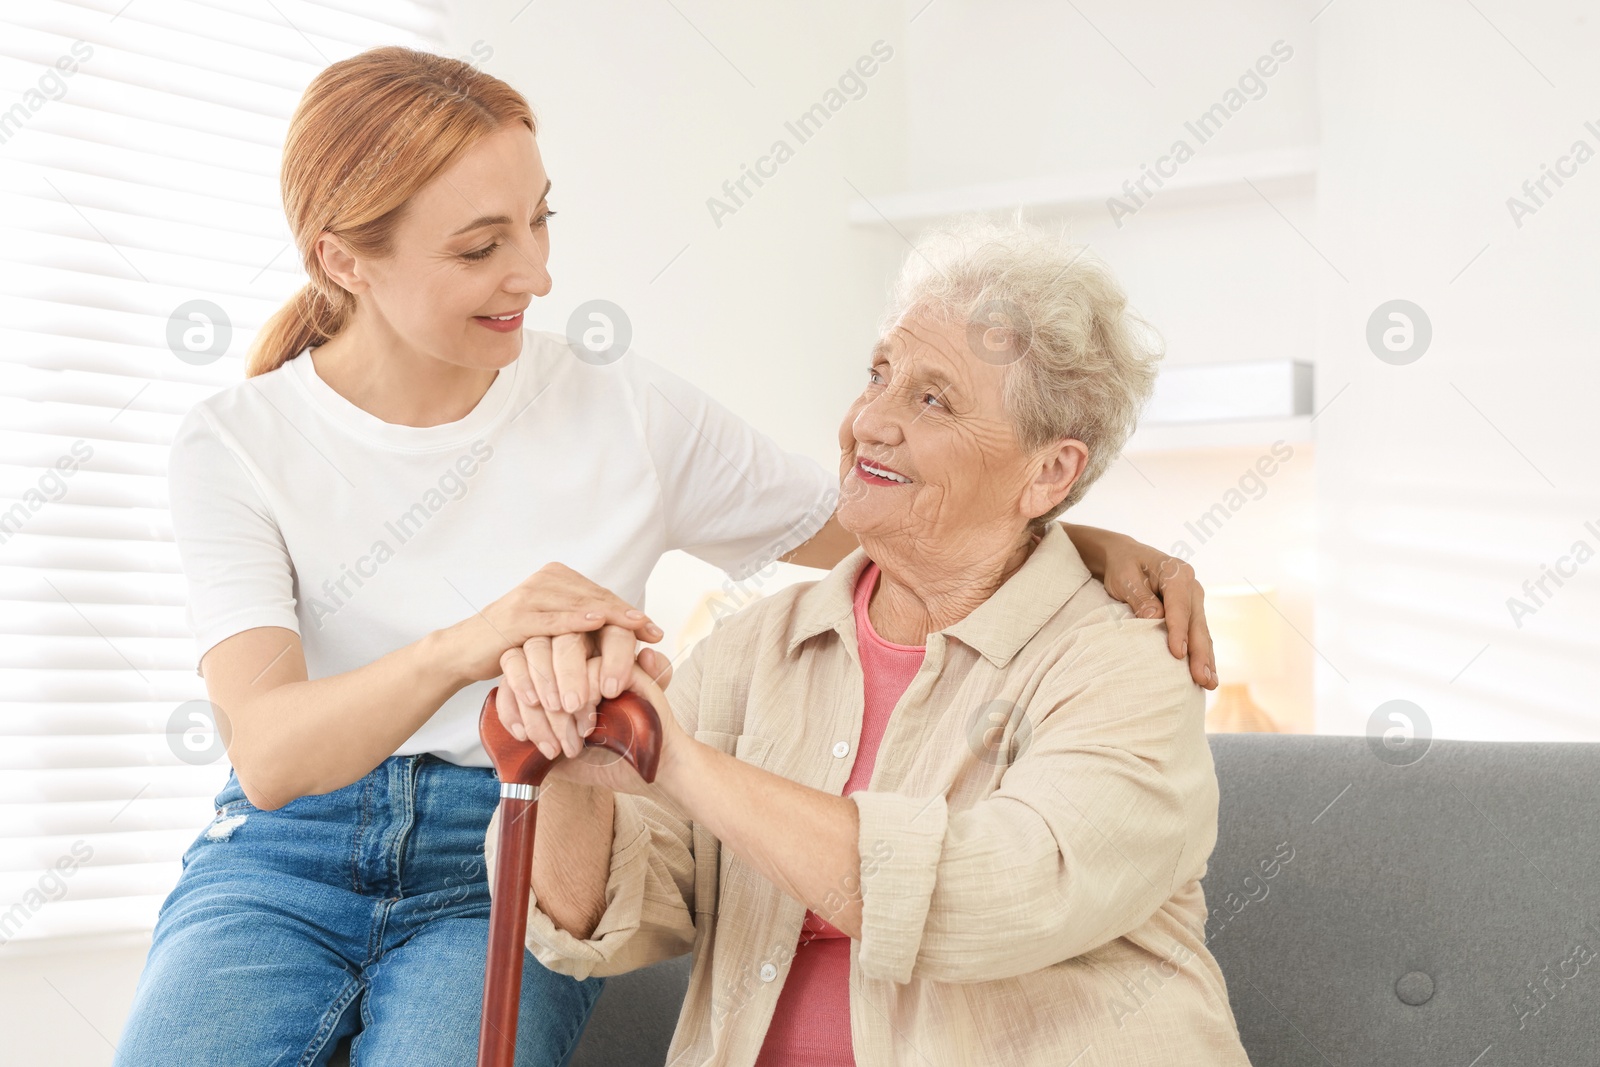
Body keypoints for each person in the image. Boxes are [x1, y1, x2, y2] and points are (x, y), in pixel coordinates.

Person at [113, 47, 1215, 1067]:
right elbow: (269, 751)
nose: (537, 275)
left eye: (539, 223)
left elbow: (903, 514)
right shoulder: (238, 442)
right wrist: (474, 647)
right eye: (481, 246)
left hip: (507, 819)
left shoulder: (622, 410)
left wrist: (1077, 535)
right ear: (339, 259)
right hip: (287, 845)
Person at [492, 219, 1253, 1065]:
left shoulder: (1126, 666)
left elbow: (982, 896)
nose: (869, 423)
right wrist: (571, 755)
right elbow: (603, 913)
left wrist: (676, 755)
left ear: (1049, 472)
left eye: (933, 398)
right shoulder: (759, 647)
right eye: (879, 374)